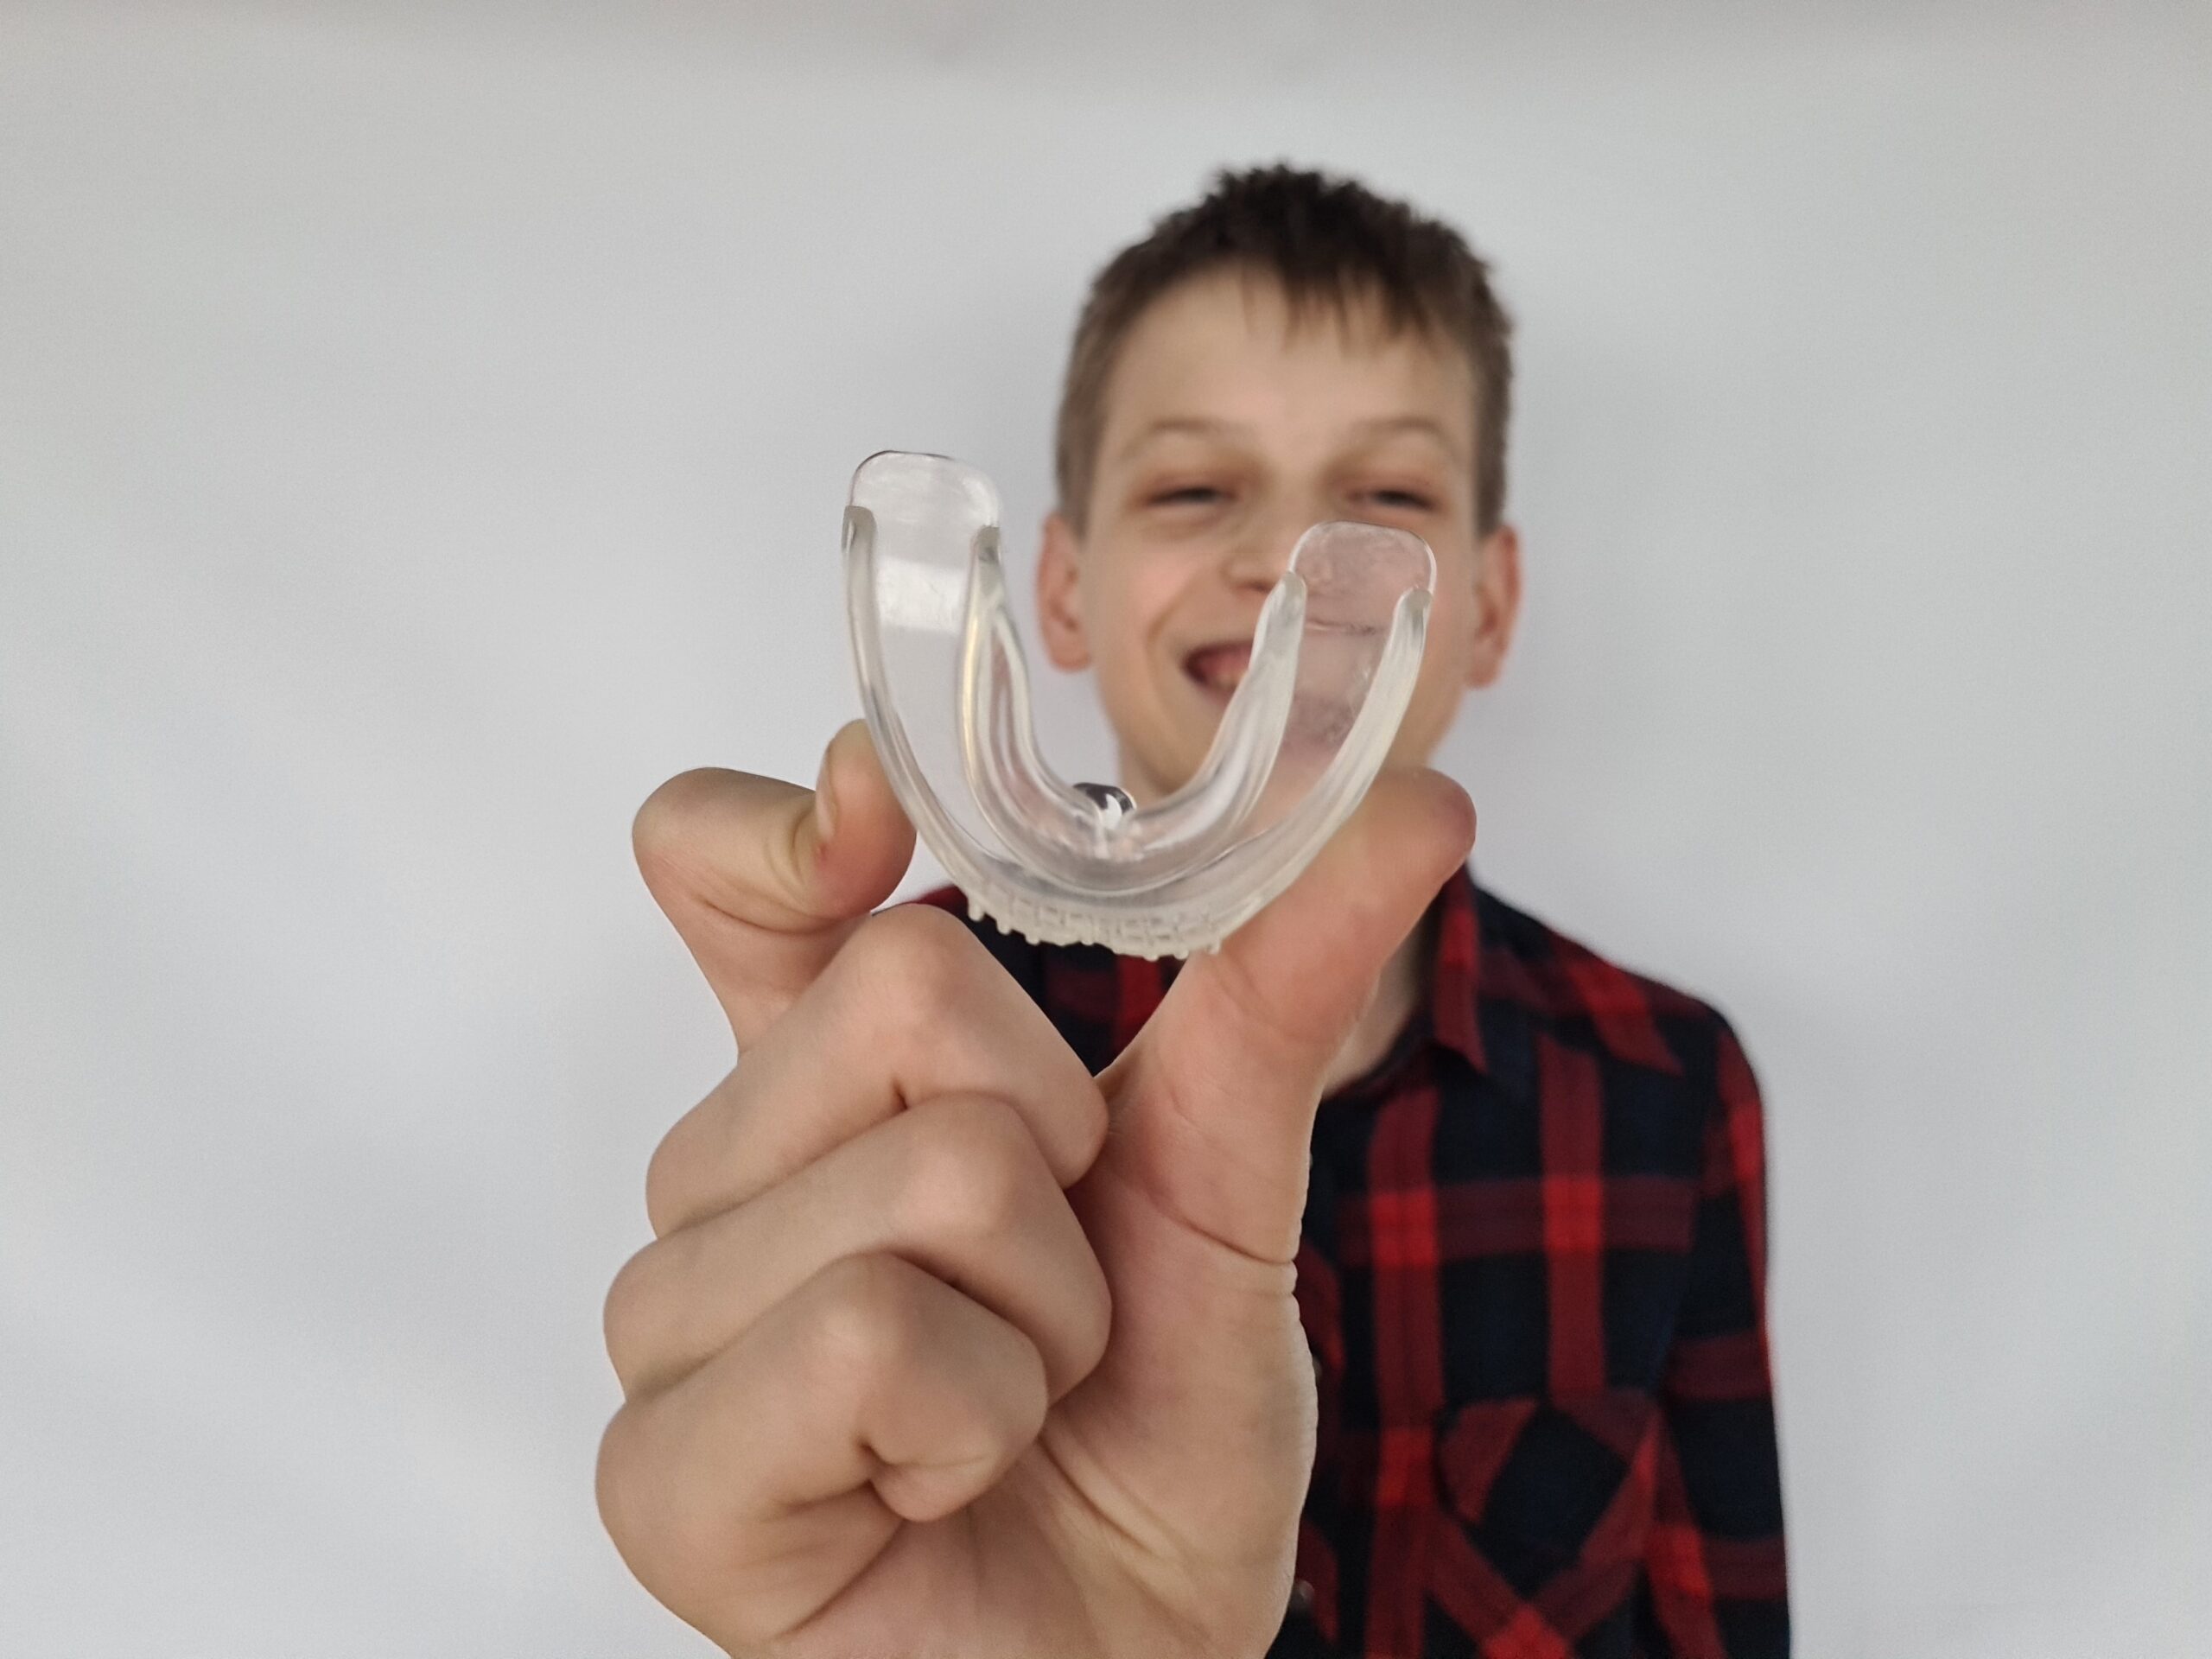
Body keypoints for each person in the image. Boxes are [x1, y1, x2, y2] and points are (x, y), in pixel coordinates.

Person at [597, 165, 1788, 1657]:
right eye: (1193, 490)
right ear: (1061, 587)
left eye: (1385, 499)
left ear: (1486, 606)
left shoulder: (1665, 1089)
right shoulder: (912, 1056)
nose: (1284, 559)